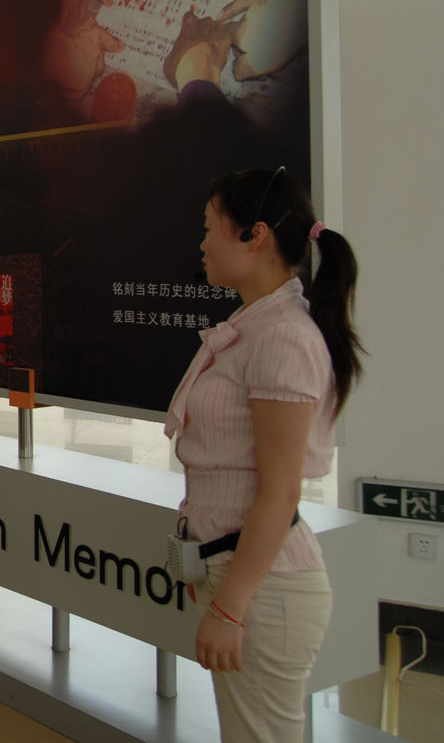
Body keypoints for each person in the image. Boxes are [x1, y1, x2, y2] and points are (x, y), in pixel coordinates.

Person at [164, 166, 363, 743]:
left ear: (255, 235)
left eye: (210, 228)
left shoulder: (283, 338)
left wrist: (230, 608)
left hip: (265, 592)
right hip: (241, 577)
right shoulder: (258, 327)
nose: (202, 244)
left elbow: (280, 493)